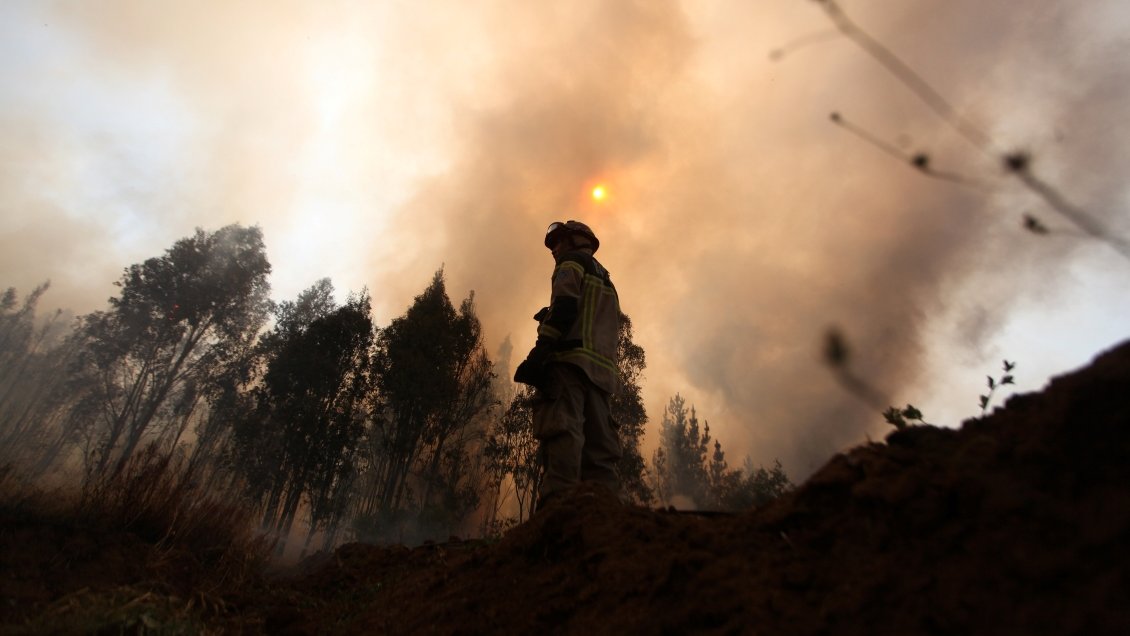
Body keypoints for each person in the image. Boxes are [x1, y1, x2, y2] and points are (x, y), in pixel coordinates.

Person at [514, 220, 623, 507]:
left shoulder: (570, 264)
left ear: (577, 241)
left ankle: (557, 518)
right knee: (600, 454)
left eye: (559, 241)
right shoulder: (607, 281)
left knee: (562, 435)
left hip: (568, 367)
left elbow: (564, 307)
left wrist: (539, 353)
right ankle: (606, 521)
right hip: (601, 377)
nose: (554, 249)